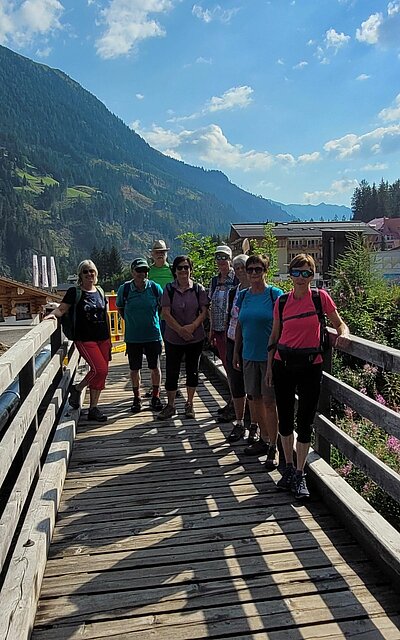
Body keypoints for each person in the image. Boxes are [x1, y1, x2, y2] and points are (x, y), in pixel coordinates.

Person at [266, 253, 349, 500]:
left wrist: (343, 334)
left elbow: (339, 323)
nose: (301, 278)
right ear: (290, 275)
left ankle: (300, 474)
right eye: (296, 272)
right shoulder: (281, 302)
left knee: (305, 421)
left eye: (306, 273)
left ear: (313, 275)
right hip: (283, 364)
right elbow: (274, 337)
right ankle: (289, 469)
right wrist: (270, 367)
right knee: (285, 420)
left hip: (311, 365)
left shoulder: (320, 297)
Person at [233, 254, 283, 470]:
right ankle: (263, 439)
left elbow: (282, 327)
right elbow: (239, 324)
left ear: (265, 270)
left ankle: (274, 446)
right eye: (250, 269)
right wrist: (236, 351)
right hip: (248, 356)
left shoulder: (275, 295)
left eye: (258, 269)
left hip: (269, 358)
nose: (253, 273)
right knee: (254, 399)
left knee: (270, 402)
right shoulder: (243, 295)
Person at [45, 259, 111, 422]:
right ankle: (78, 388)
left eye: (92, 271)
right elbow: (62, 309)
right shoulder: (74, 292)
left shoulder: (101, 291)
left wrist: (109, 338)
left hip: (103, 337)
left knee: (102, 373)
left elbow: (106, 314)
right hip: (84, 338)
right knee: (99, 370)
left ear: (96, 273)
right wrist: (52, 315)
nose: (89, 274)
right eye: (85, 271)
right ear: (80, 275)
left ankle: (93, 408)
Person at [158, 255, 209, 420]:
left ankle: (189, 403)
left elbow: (204, 311)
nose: (183, 270)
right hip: (174, 337)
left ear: (191, 269)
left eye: (186, 267)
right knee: (172, 372)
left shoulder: (198, 289)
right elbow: (165, 313)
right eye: (180, 267)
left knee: (192, 371)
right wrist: (181, 330)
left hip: (195, 337)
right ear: (175, 270)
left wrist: (192, 327)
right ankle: (171, 405)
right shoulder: (169, 289)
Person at [116, 258, 163, 413]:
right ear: (132, 272)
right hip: (133, 337)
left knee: (154, 367)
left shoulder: (155, 288)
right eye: (139, 270)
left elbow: (163, 308)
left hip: (153, 335)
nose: (142, 274)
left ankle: (155, 396)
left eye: (145, 271)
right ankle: (137, 398)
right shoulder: (125, 289)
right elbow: (120, 308)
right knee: (134, 369)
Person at [225, 254, 256, 443]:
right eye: (237, 268)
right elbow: (232, 318)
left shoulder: (257, 292)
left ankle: (254, 425)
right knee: (236, 384)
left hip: (251, 342)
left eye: (244, 267)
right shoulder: (233, 292)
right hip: (232, 340)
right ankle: (239, 422)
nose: (240, 271)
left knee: (252, 387)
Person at [209, 244, 238, 422]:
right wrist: (211, 328)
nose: (221, 261)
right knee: (228, 368)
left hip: (233, 331)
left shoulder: (237, 279)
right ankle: (233, 401)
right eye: (218, 258)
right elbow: (211, 305)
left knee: (233, 368)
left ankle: (236, 404)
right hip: (219, 330)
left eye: (224, 257)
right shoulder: (214, 280)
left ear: (230, 259)